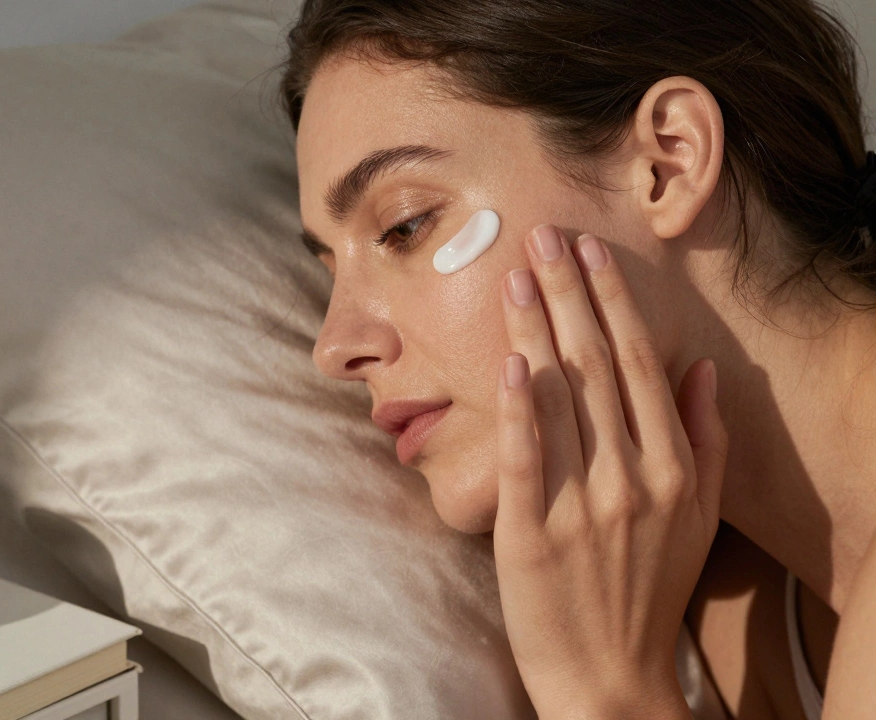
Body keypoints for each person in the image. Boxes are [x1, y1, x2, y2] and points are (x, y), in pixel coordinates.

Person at [279, 0, 876, 717]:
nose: (334, 346)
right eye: (330, 272)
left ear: (668, 162)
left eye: (405, 225)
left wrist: (603, 687)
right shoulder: (729, 608)